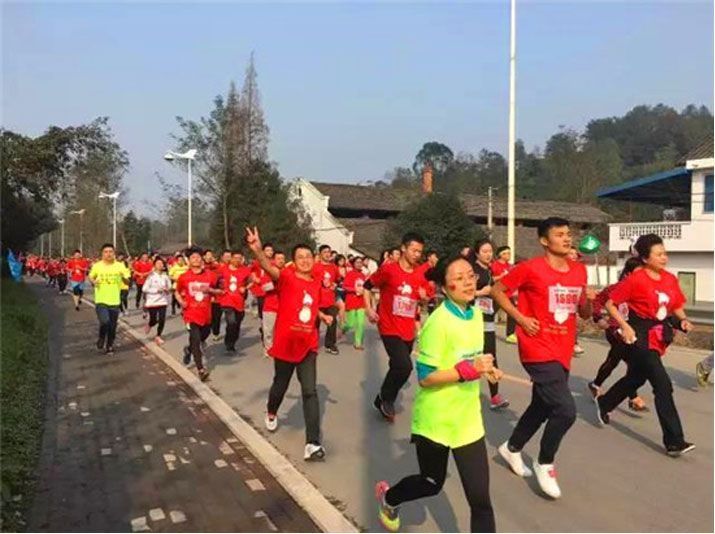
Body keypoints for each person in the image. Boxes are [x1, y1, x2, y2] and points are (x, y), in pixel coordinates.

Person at [375, 254, 499, 533]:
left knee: (480, 501)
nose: (468, 282)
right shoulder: (438, 323)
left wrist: (488, 369)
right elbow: (425, 377)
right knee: (431, 483)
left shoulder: (476, 314)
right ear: (444, 287)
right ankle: (390, 498)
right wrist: (469, 370)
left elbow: (472, 358)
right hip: (436, 422)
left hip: (468, 422)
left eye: (470, 276)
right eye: (459, 278)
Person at [491, 217, 594, 499]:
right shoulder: (530, 268)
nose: (567, 238)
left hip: (562, 349)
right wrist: (520, 318)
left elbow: (584, 313)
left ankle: (511, 448)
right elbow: (498, 290)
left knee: (542, 405)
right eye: (559, 234)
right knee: (566, 410)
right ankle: (545, 461)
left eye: (568, 234)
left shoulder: (579, 271)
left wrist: (588, 300)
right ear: (544, 241)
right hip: (536, 347)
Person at [595, 234, 695, 457]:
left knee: (636, 378)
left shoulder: (670, 279)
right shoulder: (636, 279)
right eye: (658, 254)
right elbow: (611, 304)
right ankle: (674, 441)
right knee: (663, 385)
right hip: (639, 335)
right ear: (645, 258)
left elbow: (676, 305)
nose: (664, 258)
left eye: (665, 253)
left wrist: (683, 320)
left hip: (658, 334)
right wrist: (624, 326)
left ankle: (603, 403)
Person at [246, 226, 333, 461]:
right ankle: (272, 411)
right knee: (280, 384)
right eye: (300, 257)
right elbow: (269, 267)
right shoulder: (287, 277)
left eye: (308, 256)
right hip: (286, 344)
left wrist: (323, 316)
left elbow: (310, 306)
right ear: (294, 262)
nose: (305, 260)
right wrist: (257, 250)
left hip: (308, 345)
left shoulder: (316, 282)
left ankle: (312, 443)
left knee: (310, 391)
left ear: (314, 259)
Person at [365, 232, 428, 422]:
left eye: (420, 252)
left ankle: (381, 399)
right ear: (403, 248)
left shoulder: (420, 273)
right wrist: (369, 309)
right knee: (404, 365)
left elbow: (423, 299)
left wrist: (424, 298)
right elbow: (367, 286)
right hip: (388, 326)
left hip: (408, 329)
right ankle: (387, 398)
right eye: (414, 250)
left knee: (398, 366)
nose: (417, 254)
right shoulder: (388, 270)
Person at [588, 257, 647, 411]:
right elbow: (597, 301)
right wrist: (598, 318)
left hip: (633, 330)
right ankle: (633, 396)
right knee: (633, 361)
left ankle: (596, 384)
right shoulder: (614, 289)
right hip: (615, 330)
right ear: (628, 274)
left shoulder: (644, 290)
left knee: (614, 361)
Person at [175, 247, 222, 381]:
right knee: (195, 339)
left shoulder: (210, 275)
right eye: (193, 257)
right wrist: (181, 302)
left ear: (202, 259)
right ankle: (201, 369)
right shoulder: (184, 277)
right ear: (189, 261)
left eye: (198, 257)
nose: (196, 259)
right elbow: (177, 292)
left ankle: (189, 349)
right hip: (190, 314)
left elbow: (219, 288)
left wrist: (213, 292)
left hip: (206, 314)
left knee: (203, 336)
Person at [473, 239, 510, 410]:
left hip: (487, 319)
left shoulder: (489, 271)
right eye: (484, 251)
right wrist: (480, 292)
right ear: (477, 253)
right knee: (470, 357)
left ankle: (495, 396)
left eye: (490, 251)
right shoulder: (472, 271)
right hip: (472, 320)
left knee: (490, 356)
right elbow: (462, 291)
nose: (488, 254)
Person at [88, 243, 131, 355]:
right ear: (102, 254)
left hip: (115, 301)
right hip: (101, 300)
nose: (108, 254)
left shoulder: (120, 266)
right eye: (106, 252)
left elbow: (128, 280)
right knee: (105, 321)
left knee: (112, 326)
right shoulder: (97, 266)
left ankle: (109, 346)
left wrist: (124, 279)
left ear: (114, 253)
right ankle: (102, 337)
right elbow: (91, 276)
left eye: (111, 252)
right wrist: (93, 282)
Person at [218, 250, 252, 353]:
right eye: (235, 258)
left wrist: (245, 288)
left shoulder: (245, 270)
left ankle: (232, 341)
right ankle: (229, 344)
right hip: (227, 300)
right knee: (231, 322)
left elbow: (252, 282)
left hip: (239, 301)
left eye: (239, 258)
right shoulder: (223, 269)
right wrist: (219, 289)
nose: (237, 260)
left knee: (237, 324)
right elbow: (215, 281)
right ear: (231, 258)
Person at [314, 245, 341, 355]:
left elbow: (338, 280)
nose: (327, 254)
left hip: (330, 299)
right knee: (315, 324)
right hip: (317, 299)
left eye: (329, 252)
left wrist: (335, 284)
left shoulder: (333, 267)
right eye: (325, 252)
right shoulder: (315, 267)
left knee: (333, 322)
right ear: (320, 254)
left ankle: (330, 345)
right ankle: (312, 344)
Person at [261, 250, 286, 355]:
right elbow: (264, 287)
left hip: (284, 307)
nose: (281, 261)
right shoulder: (268, 272)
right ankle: (268, 348)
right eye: (278, 259)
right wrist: (276, 283)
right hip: (270, 306)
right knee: (269, 330)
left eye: (283, 259)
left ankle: (280, 348)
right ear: (274, 260)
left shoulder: (287, 272)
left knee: (282, 330)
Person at [142, 257, 172, 345]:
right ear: (154, 266)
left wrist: (167, 289)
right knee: (154, 320)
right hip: (152, 302)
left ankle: (158, 336)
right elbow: (144, 289)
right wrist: (156, 290)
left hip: (163, 301)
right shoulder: (151, 276)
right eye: (158, 263)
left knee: (162, 319)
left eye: (162, 263)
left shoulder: (165, 276)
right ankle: (150, 324)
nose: (160, 265)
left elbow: (170, 287)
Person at [491, 245, 517, 344]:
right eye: (506, 253)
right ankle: (482, 330)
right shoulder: (494, 265)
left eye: (509, 253)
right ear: (500, 255)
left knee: (512, 313)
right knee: (490, 313)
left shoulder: (510, 266)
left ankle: (510, 334)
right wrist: (502, 276)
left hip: (508, 294)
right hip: (497, 293)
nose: (508, 255)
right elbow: (491, 279)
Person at [342, 256, 367, 350]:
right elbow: (344, 287)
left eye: (361, 262)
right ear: (353, 264)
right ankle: (344, 328)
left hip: (361, 301)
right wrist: (355, 290)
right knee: (350, 323)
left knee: (360, 323)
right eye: (357, 262)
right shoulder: (349, 274)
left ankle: (357, 343)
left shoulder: (363, 275)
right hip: (351, 300)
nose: (359, 264)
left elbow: (366, 288)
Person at [567, 246, 585, 356]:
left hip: (575, 297)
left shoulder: (580, 268)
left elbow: (583, 283)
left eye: (575, 254)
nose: (574, 256)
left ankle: (573, 343)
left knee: (572, 321)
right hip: (562, 297)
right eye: (571, 253)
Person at [203, 249, 223, 341]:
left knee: (217, 315)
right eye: (208, 255)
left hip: (216, 295)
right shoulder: (201, 267)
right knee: (207, 316)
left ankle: (216, 332)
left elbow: (221, 278)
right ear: (204, 257)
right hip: (204, 295)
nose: (209, 257)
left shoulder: (217, 267)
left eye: (211, 255)